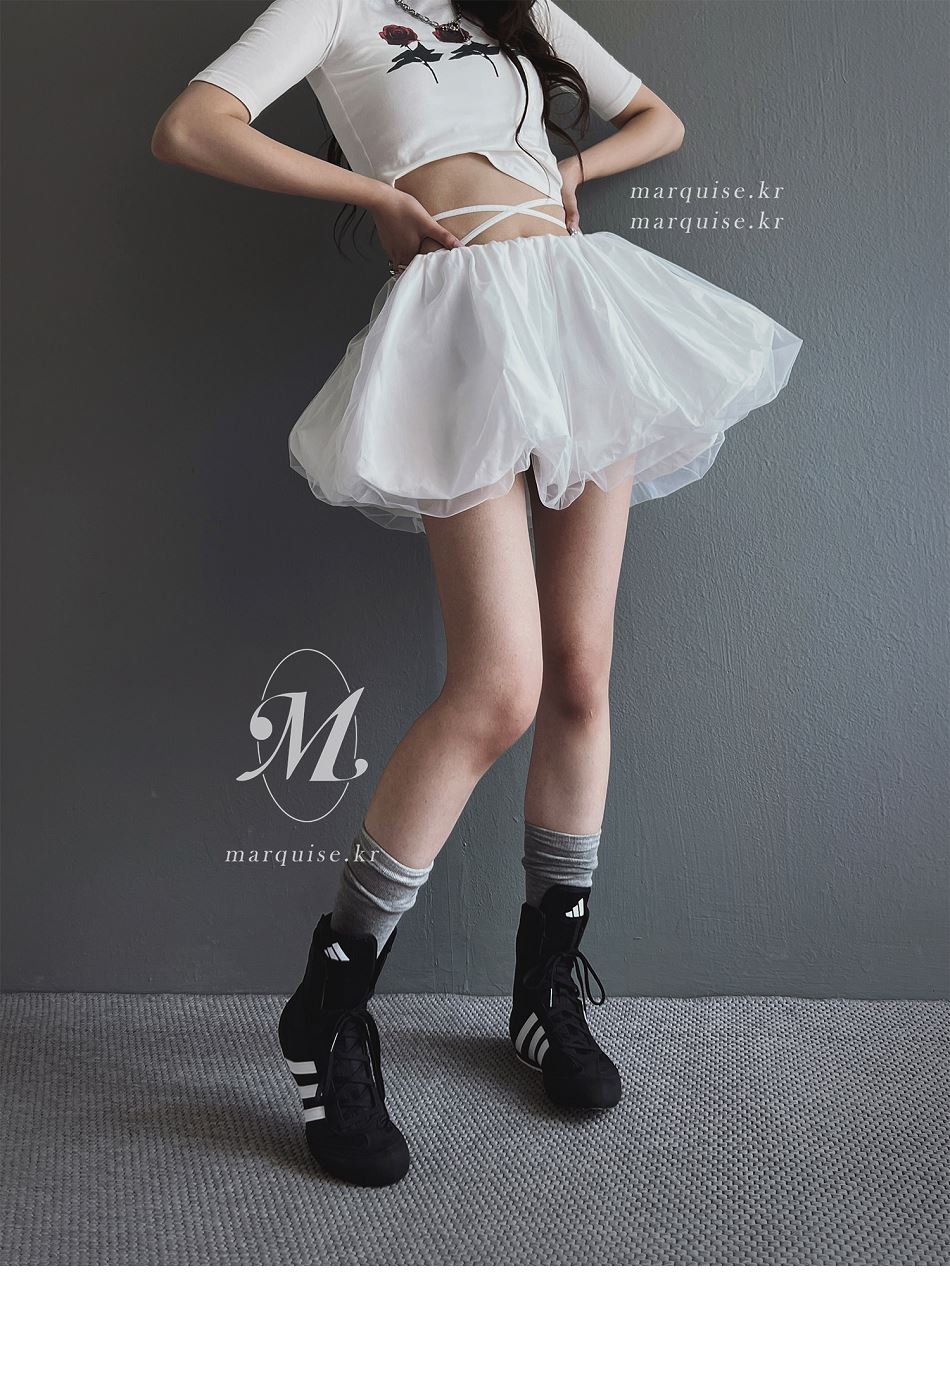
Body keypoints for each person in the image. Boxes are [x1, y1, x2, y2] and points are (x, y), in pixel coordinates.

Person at [152, 0, 803, 1187]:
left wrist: (571, 171)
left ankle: (543, 989)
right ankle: (328, 1005)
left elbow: (657, 119)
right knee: (498, 686)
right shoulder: (331, 7)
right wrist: (374, 196)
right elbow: (192, 126)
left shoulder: (516, 7)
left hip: (576, 311)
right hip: (458, 328)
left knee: (581, 673)